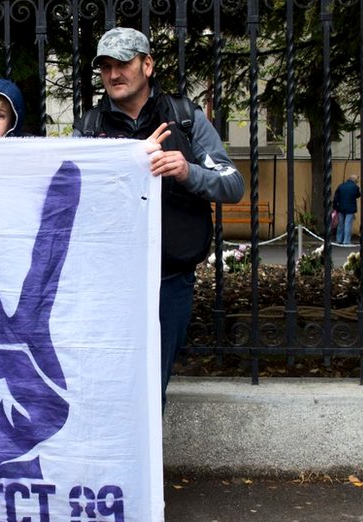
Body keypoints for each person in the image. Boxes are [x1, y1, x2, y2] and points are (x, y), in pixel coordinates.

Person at [74, 27, 244, 410]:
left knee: (153, 389)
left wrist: (188, 172)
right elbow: (70, 195)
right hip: (110, 286)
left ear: (147, 64)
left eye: (123, 64)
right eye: (105, 67)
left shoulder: (185, 118)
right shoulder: (87, 128)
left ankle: (144, 471)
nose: (114, 74)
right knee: (107, 386)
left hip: (170, 282)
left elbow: (233, 184)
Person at [333, 175, 360, 245]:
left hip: (341, 207)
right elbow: (358, 195)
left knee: (341, 224)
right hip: (350, 208)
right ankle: (346, 241)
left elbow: (336, 197)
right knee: (348, 224)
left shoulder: (341, 186)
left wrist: (335, 207)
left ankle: (339, 239)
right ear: (355, 180)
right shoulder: (355, 187)